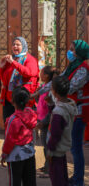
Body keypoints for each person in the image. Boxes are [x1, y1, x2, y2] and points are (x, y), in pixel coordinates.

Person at [33, 40, 89, 186]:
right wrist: (39, 92)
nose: (69, 52)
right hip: (72, 108)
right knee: (70, 146)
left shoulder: (83, 68)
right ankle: (74, 178)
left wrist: (52, 95)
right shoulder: (72, 66)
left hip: (79, 110)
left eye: (72, 49)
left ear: (80, 52)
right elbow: (58, 81)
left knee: (75, 147)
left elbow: (68, 87)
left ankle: (78, 180)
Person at [1, 87, 37, 186]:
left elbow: (9, 140)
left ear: (12, 101)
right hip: (29, 152)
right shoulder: (31, 113)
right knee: (30, 181)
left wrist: (4, 154)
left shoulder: (13, 120)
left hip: (15, 156)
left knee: (15, 181)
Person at [46, 76, 77, 186]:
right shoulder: (69, 104)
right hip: (62, 148)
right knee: (62, 176)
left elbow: (55, 135)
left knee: (57, 178)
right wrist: (50, 104)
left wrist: (50, 150)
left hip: (56, 150)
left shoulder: (59, 112)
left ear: (54, 91)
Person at [0, 37, 39, 121]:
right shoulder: (12, 59)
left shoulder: (30, 59)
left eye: (18, 44)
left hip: (23, 101)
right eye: (13, 44)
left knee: (22, 126)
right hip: (9, 100)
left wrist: (14, 63)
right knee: (9, 124)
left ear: (24, 46)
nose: (15, 46)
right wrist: (2, 67)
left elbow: (28, 73)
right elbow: (4, 79)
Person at [36, 66, 59, 177]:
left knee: (47, 145)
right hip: (41, 118)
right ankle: (47, 166)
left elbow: (51, 108)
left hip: (46, 120)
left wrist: (43, 121)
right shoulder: (44, 87)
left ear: (46, 76)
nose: (40, 74)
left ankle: (49, 169)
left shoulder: (49, 90)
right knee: (44, 144)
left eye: (41, 73)